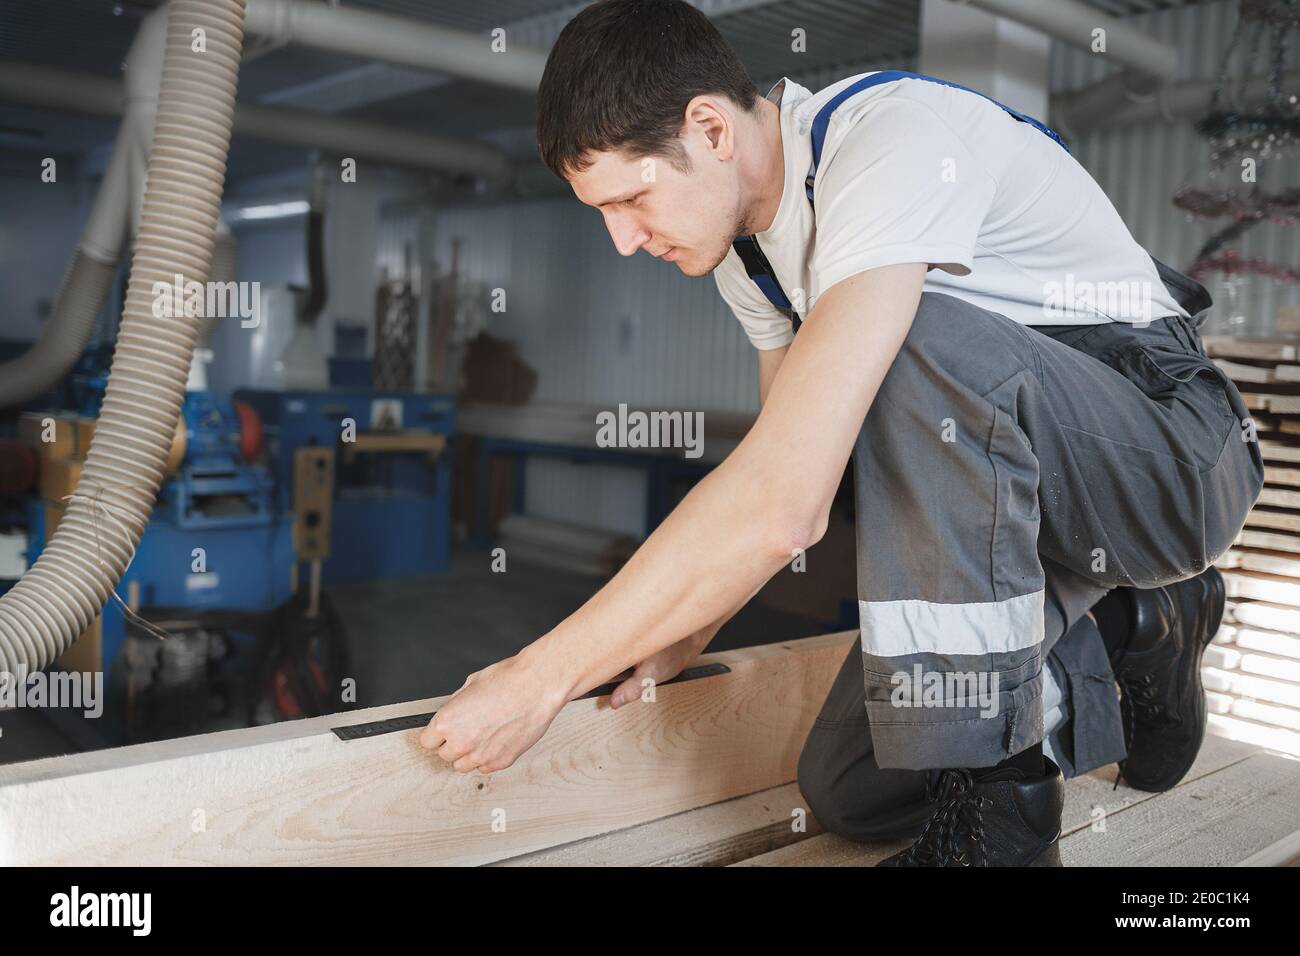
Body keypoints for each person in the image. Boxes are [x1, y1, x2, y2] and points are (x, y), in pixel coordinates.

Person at [418, 0, 1264, 866]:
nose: (625, 240)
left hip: (1171, 452)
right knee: (854, 783)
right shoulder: (750, 257)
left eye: (633, 197)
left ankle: (1006, 832)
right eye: (602, 212)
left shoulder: (888, 141)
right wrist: (679, 631)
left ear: (709, 128)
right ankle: (1141, 622)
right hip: (1035, 514)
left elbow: (780, 505)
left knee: (908, 340)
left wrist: (538, 673)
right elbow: (794, 474)